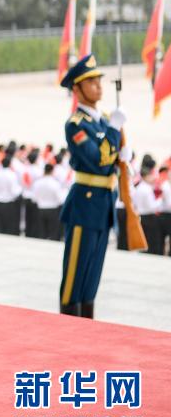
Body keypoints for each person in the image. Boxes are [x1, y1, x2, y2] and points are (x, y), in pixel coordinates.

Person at [58, 53, 128, 318]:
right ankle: (69, 326)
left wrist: (125, 156)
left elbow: (111, 159)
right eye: (91, 81)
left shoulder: (104, 119)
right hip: (84, 205)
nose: (98, 85)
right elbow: (98, 159)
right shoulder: (75, 124)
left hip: (103, 204)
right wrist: (114, 130)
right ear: (76, 89)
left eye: (99, 80)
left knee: (92, 277)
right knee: (75, 278)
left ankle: (88, 326)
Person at [30, 163, 66, 241]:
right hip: (53, 209)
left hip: (40, 209)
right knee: (53, 233)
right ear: (52, 171)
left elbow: (34, 198)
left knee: (41, 233)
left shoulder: (37, 183)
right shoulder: (55, 183)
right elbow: (60, 199)